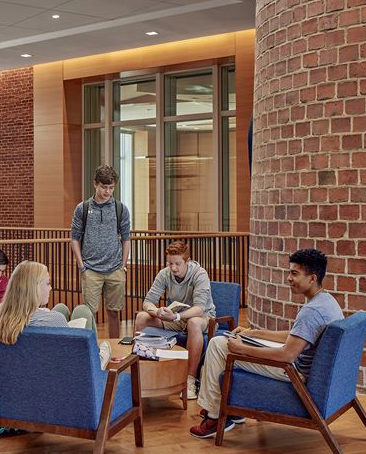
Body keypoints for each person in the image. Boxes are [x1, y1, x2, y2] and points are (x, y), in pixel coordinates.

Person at [189, 248, 343, 439]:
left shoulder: (311, 311)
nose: (288, 278)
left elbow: (287, 356)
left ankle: (214, 416)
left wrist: (242, 349)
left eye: (294, 273)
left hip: (293, 371)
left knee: (217, 344)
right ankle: (231, 408)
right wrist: (251, 332)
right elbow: (296, 335)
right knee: (226, 342)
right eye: (290, 272)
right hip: (301, 365)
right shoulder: (327, 301)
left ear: (312, 278)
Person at [133, 240, 215, 400]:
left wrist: (176, 316)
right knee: (142, 317)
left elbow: (199, 309)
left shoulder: (200, 274)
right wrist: (157, 312)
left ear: (187, 261)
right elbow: (147, 302)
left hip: (203, 318)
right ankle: (142, 374)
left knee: (193, 322)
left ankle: (191, 380)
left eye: (177, 263)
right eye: (170, 263)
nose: (173, 268)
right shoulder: (165, 273)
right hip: (176, 317)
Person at [69, 165, 131, 339]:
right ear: (95, 184)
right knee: (89, 314)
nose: (108, 191)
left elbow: (126, 238)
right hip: (90, 270)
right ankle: (90, 351)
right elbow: (75, 238)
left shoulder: (121, 209)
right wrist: (82, 266)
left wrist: (123, 266)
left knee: (114, 312)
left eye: (111, 187)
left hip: (115, 269)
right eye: (104, 187)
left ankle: (115, 349)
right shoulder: (82, 208)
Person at [0, 261, 71, 344]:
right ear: (34, 289)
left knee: (61, 307)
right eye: (48, 283)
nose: (50, 288)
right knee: (79, 310)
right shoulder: (56, 319)